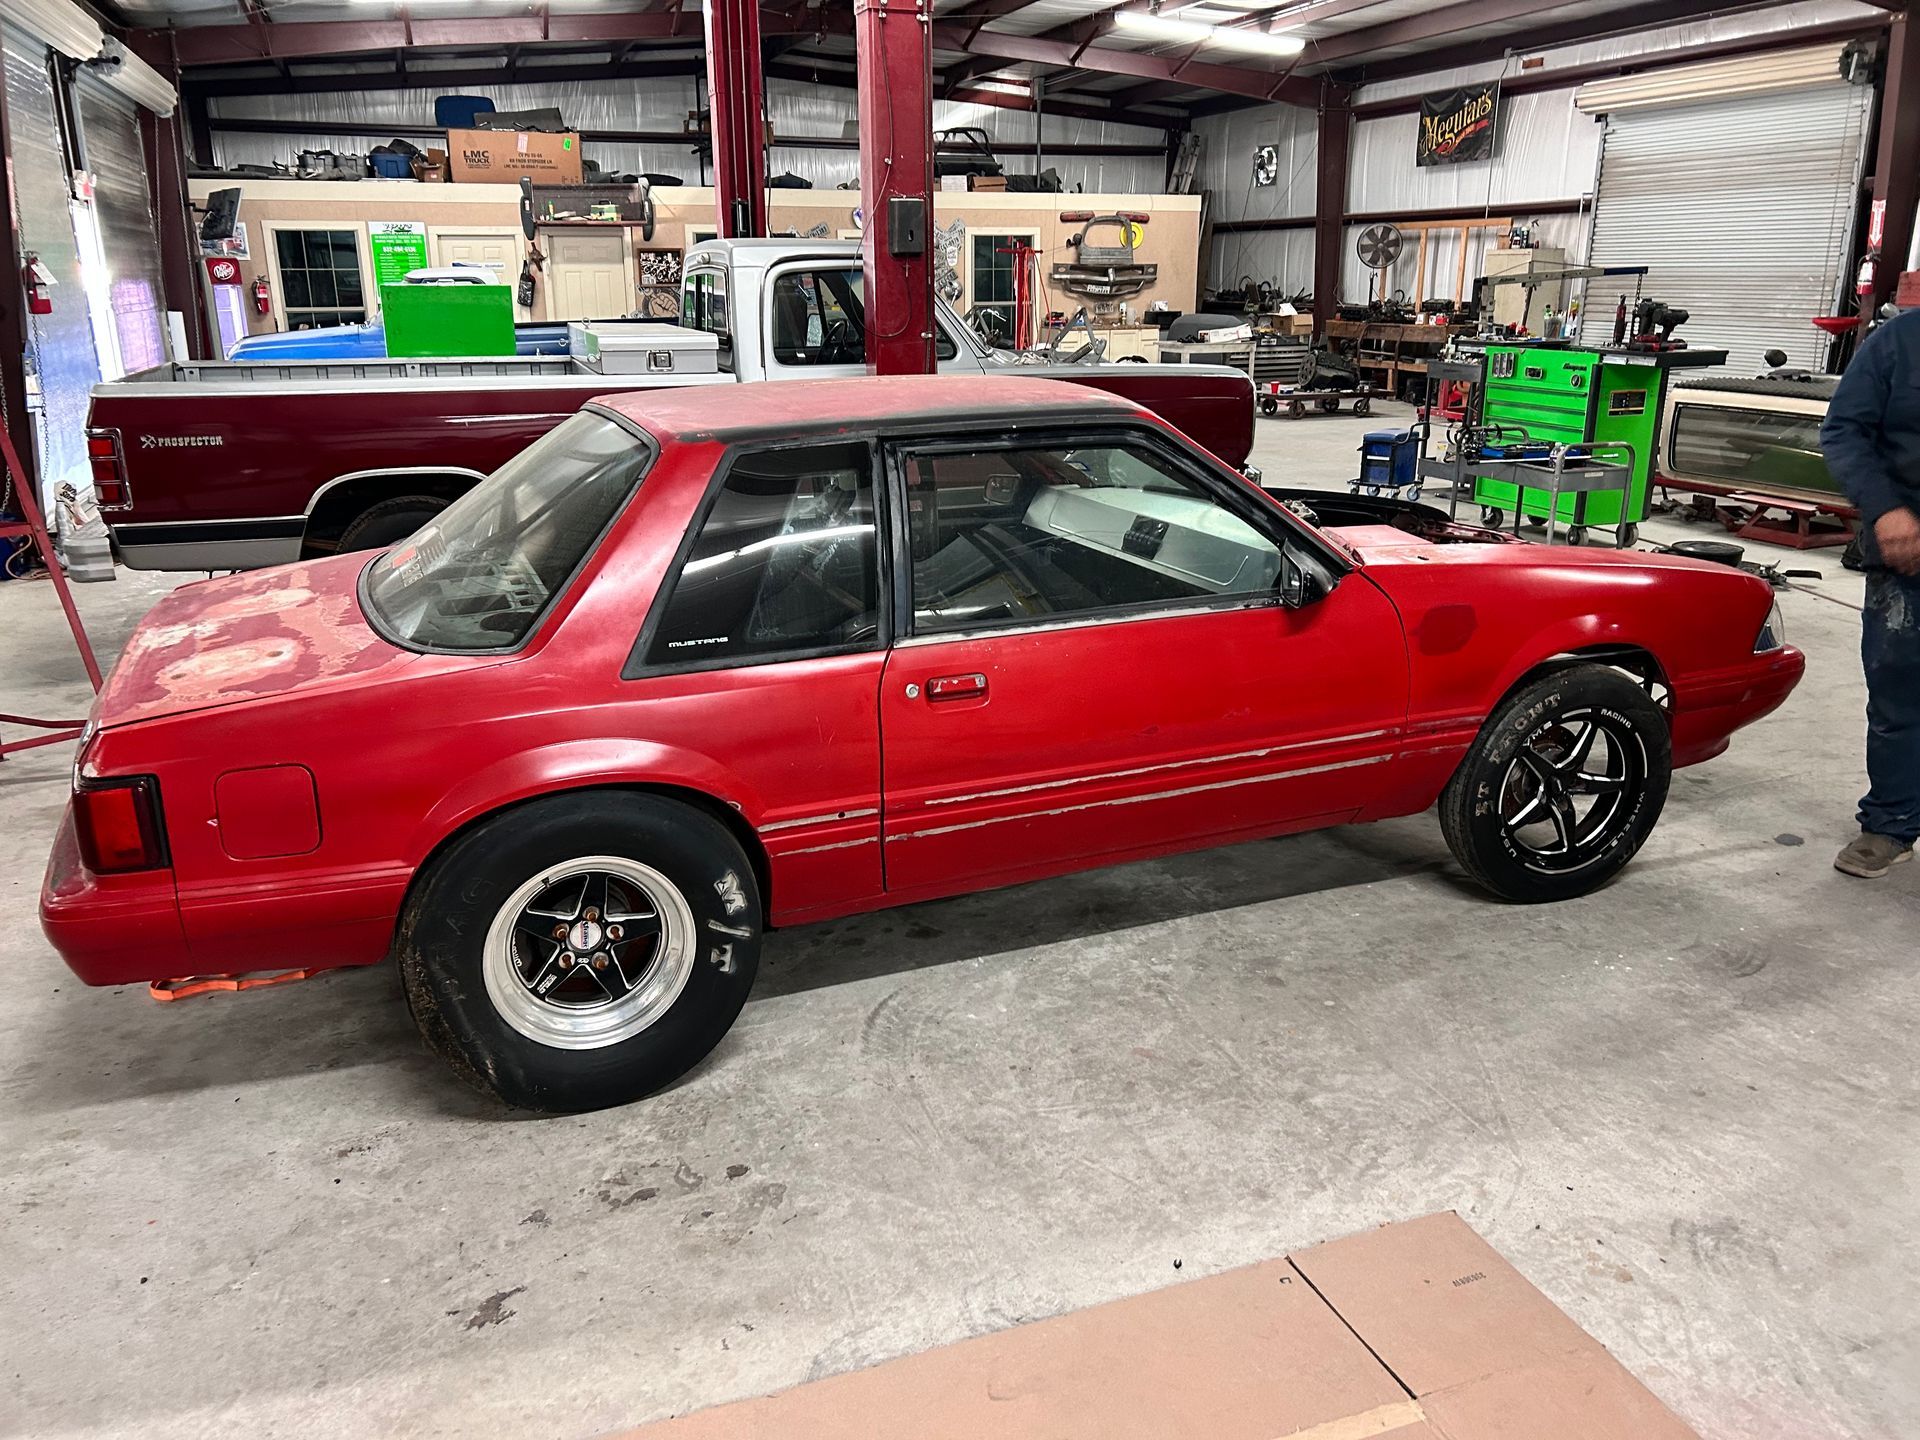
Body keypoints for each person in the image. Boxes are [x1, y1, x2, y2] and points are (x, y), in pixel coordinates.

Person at [1820, 308, 1920, 877]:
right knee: (1898, 692)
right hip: (1909, 549)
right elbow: (1844, 430)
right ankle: (1890, 823)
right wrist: (1884, 511)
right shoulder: (1898, 344)